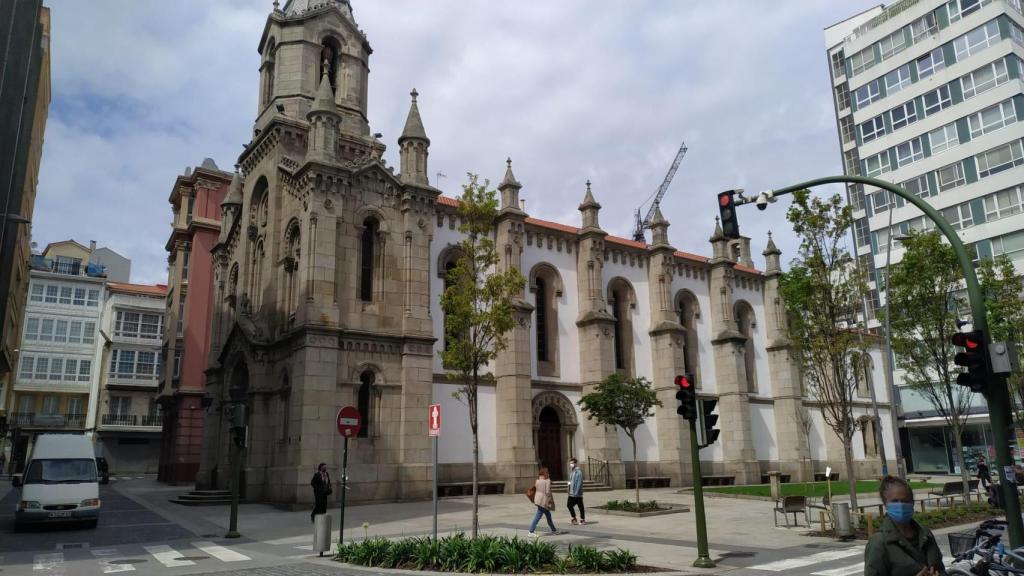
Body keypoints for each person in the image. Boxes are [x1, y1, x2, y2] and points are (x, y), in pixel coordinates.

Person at [864, 475, 945, 576]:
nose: (900, 505)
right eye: (895, 501)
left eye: (905, 501)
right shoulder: (878, 543)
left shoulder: (925, 534)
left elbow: (941, 569)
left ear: (912, 503)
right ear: (886, 504)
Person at [527, 467, 557, 537]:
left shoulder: (538, 480)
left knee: (548, 515)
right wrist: (550, 501)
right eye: (547, 472)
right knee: (538, 516)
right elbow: (547, 492)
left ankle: (554, 530)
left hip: (538, 500)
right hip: (543, 501)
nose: (548, 474)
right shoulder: (547, 480)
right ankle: (531, 531)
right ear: (545, 473)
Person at [567, 457, 585, 525]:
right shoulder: (572, 472)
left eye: (572, 463)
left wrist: (576, 492)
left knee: (580, 506)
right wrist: (568, 488)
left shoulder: (578, 472)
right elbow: (569, 481)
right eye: (570, 463)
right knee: (569, 505)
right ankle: (574, 518)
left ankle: (582, 519)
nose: (571, 464)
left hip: (577, 493)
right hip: (571, 492)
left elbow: (579, 483)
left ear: (575, 463)